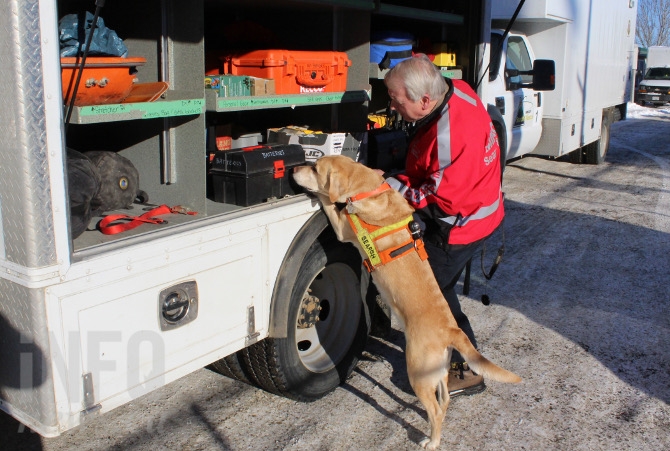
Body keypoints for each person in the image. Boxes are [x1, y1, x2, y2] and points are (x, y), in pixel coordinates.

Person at [381, 54, 504, 397]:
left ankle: (463, 371)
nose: (391, 106)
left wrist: (389, 185)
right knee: (435, 290)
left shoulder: (452, 133)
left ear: (424, 100)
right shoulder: (456, 89)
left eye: (396, 99)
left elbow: (440, 197)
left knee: (432, 296)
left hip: (461, 224)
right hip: (478, 207)